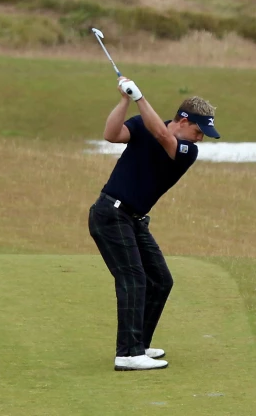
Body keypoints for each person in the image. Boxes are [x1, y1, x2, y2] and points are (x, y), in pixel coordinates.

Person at [90, 77, 220, 371]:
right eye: (199, 131)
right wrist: (125, 99)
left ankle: (140, 345)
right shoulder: (142, 124)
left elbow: (162, 136)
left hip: (134, 220)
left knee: (161, 280)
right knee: (133, 279)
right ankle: (127, 354)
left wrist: (139, 97)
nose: (200, 139)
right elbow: (111, 134)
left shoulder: (187, 151)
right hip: (111, 214)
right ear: (183, 121)